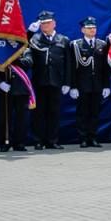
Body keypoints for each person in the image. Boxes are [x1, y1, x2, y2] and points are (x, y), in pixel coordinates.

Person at [27, 11, 70, 150]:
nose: (45, 25)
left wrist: (67, 83)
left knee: (54, 112)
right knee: (38, 112)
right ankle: (38, 140)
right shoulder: (34, 39)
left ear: (54, 23)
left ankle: (52, 140)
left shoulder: (63, 40)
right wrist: (29, 32)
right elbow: (22, 46)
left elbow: (68, 64)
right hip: (39, 81)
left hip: (56, 81)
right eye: (43, 23)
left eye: (48, 23)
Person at [70, 17, 108, 148]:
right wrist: (73, 86)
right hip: (82, 85)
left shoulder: (102, 44)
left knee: (95, 112)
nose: (92, 30)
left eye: (94, 28)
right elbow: (72, 67)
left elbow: (105, 67)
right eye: (89, 28)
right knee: (82, 113)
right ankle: (83, 138)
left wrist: (106, 85)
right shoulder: (76, 45)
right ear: (83, 30)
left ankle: (93, 137)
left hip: (97, 84)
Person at [0, 46, 31, 154]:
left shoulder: (25, 50)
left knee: (21, 118)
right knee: (4, 117)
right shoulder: (0, 49)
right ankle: (5, 142)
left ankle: (20, 143)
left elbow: (28, 63)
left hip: (20, 89)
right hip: (5, 89)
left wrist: (13, 56)